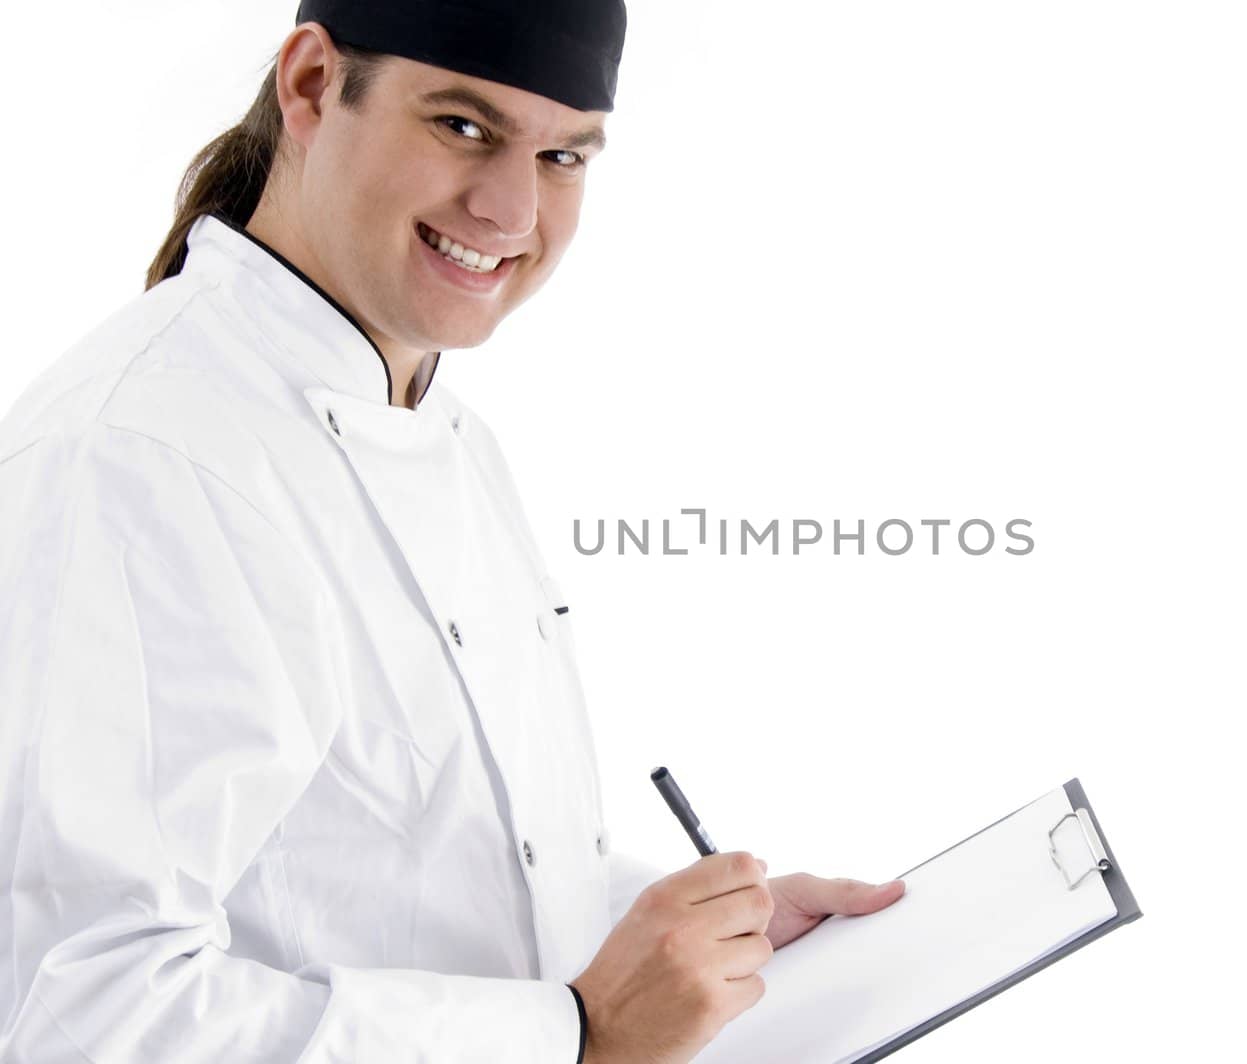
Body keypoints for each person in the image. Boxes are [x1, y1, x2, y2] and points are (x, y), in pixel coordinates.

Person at [0, 2, 905, 1061]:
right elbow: (77, 1011)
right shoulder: (139, 457)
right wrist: (577, 1029)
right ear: (310, 85)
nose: (510, 208)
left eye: (562, 153)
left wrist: (680, 947)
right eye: (462, 127)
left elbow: (402, 868)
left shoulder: (443, 423)